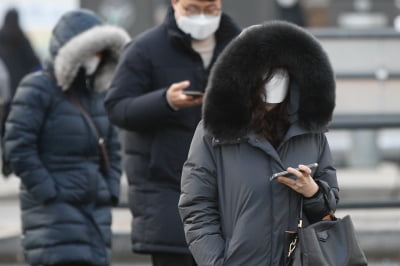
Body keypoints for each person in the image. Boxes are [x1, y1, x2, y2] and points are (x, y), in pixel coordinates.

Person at [178, 21, 340, 265]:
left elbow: (328, 207)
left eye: (282, 70)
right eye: (265, 69)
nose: (274, 78)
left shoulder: (310, 130)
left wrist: (313, 192)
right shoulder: (216, 130)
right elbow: (197, 207)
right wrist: (216, 262)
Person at [104, 0, 240, 265]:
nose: (202, 17)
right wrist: (165, 101)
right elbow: (117, 107)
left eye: (210, 9)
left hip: (228, 187)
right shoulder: (145, 48)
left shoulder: (240, 46)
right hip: (166, 188)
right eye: (192, 9)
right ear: (175, 3)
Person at [3, 9, 130, 266]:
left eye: (100, 51)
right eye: (89, 50)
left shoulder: (97, 94)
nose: (95, 58)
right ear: (71, 49)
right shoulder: (37, 88)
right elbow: (18, 147)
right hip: (52, 217)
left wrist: (110, 189)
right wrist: (50, 192)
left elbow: (114, 148)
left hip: (95, 216)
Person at [0, 8, 42, 176]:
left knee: (4, 129)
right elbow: (35, 64)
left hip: (4, 95)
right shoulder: (23, 40)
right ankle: (11, 158)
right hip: (22, 92)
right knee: (18, 128)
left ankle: (6, 157)